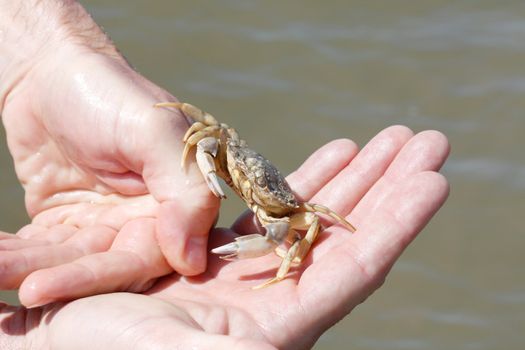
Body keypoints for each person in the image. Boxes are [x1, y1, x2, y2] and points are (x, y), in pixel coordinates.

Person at [0, 1, 450, 348]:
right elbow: (201, 130)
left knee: (296, 233)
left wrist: (44, 58)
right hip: (242, 162)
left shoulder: (291, 211)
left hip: (276, 201)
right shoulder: (227, 146)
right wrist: (42, 61)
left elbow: (306, 222)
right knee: (205, 135)